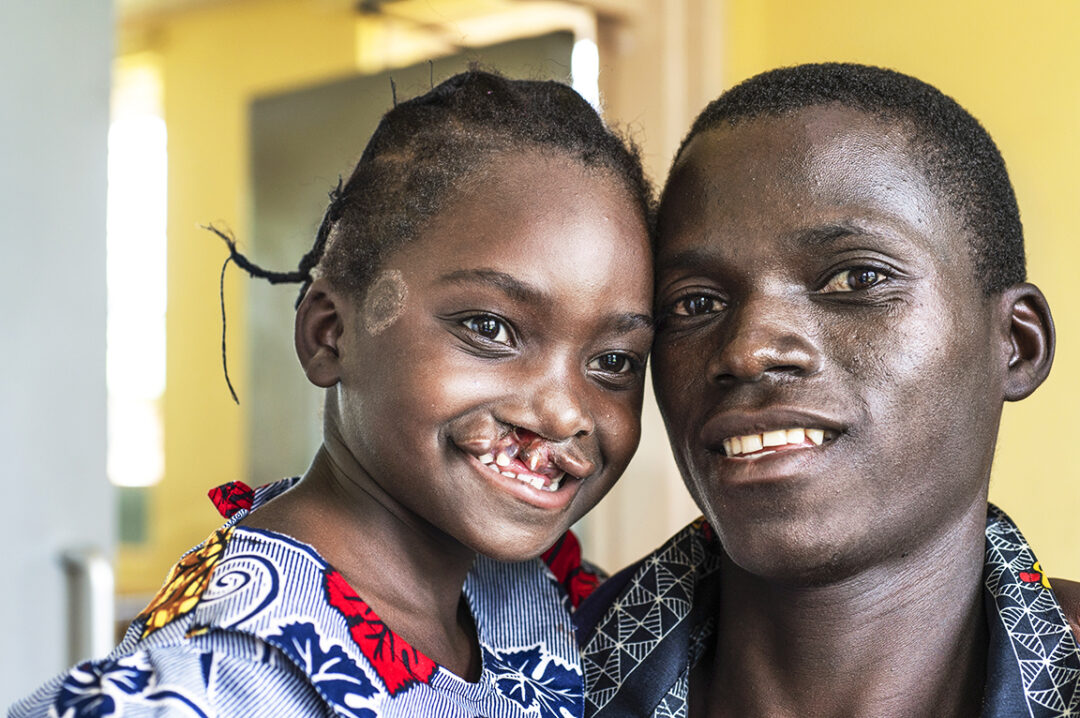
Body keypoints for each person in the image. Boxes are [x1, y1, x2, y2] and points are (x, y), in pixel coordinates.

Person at [11, 70, 655, 718]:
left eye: (613, 362)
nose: (564, 411)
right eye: (489, 329)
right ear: (329, 335)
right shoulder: (215, 686)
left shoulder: (535, 605)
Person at [575, 63, 1080, 717]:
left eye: (857, 279)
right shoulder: (517, 683)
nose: (749, 350)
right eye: (696, 301)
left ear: (1017, 343)